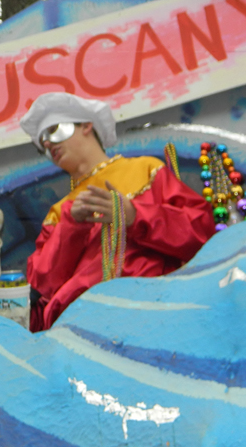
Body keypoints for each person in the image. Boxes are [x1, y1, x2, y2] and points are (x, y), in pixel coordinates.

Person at [19, 93, 215, 331]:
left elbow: (202, 231)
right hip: (81, 327)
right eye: (42, 144)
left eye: (53, 130)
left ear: (86, 125)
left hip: (153, 312)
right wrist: (72, 226)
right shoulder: (59, 213)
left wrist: (134, 216)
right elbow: (44, 284)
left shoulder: (145, 170)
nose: (48, 145)